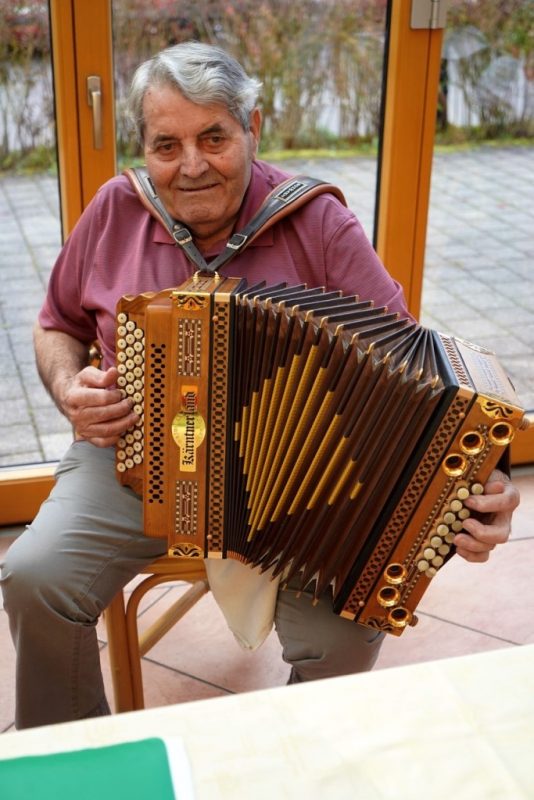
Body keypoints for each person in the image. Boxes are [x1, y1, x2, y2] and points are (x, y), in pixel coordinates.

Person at [0, 42, 520, 730]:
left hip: (301, 480)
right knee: (35, 578)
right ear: (145, 148)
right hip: (134, 460)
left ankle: (289, 753)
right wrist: (73, 389)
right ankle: (72, 757)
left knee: (343, 634)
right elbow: (56, 325)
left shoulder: (318, 223)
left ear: (253, 126)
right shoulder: (115, 209)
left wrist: (481, 482)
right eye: (166, 146)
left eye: (213, 137)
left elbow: (418, 374)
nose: (191, 165)